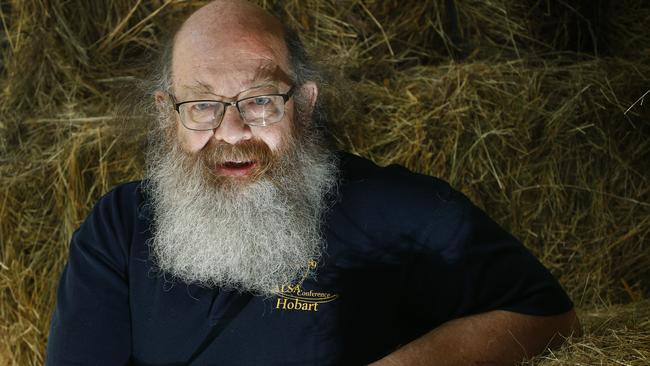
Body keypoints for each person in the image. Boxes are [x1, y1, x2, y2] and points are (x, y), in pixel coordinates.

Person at [46, 1, 579, 365]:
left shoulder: (399, 208)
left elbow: (548, 316)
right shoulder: (119, 226)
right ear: (169, 115)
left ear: (301, 105)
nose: (231, 132)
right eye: (202, 104)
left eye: (259, 100)